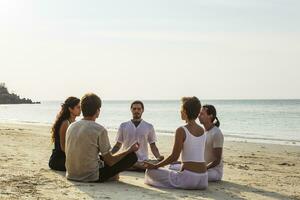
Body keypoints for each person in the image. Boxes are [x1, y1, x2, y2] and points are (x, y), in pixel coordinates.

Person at [65, 93, 139, 182]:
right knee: (132, 157)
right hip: (91, 176)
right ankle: (113, 176)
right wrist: (129, 150)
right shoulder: (99, 129)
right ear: (97, 111)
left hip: (71, 174)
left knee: (98, 156)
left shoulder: (71, 126)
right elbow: (110, 161)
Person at [144, 97, 208, 190]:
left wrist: (155, 166)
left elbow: (174, 156)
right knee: (172, 166)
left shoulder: (181, 130)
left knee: (150, 172)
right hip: (203, 179)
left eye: (181, 109)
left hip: (189, 179)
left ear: (185, 111)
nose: (180, 112)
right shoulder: (202, 130)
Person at [111, 100, 164, 171]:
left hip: (143, 160)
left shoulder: (149, 126)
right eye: (134, 109)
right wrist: (109, 155)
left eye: (139, 109)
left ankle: (136, 166)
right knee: (119, 162)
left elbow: (153, 146)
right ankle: (137, 166)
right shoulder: (123, 126)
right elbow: (118, 145)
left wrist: (158, 157)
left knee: (155, 163)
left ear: (142, 110)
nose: (136, 111)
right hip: (127, 159)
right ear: (131, 110)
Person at [49, 97, 81, 171]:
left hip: (68, 157)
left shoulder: (75, 123)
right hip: (58, 159)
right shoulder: (65, 123)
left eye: (81, 107)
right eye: (78, 107)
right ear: (70, 109)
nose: (80, 110)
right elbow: (63, 148)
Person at [199, 104, 224, 182]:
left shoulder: (216, 133)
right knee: (174, 167)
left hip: (214, 172)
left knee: (193, 175)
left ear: (210, 116)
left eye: (202, 114)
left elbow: (217, 159)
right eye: (199, 114)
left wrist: (204, 168)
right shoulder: (202, 132)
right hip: (203, 168)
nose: (199, 116)